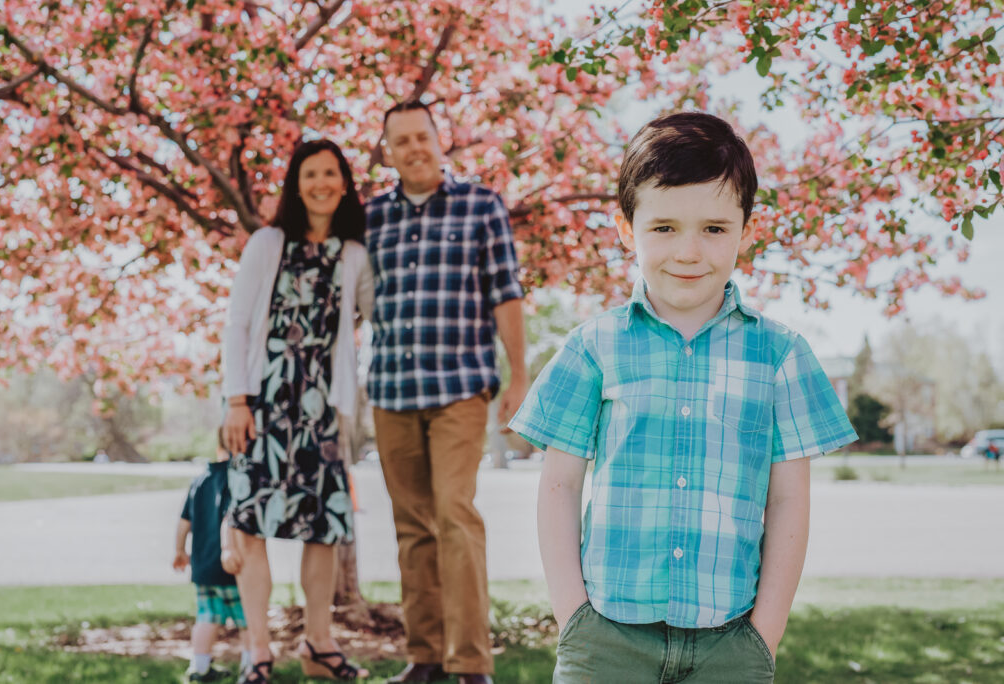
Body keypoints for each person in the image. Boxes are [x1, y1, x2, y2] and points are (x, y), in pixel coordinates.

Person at [509, 111, 859, 683]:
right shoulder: (592, 347)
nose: (689, 252)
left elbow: (790, 503)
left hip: (732, 641)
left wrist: (763, 637)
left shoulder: (781, 356)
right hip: (606, 637)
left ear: (747, 229)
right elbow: (558, 485)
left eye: (715, 228)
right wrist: (573, 616)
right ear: (628, 230)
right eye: (664, 227)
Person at [366, 100, 527, 684]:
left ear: (442, 140)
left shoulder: (481, 204)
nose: (414, 148)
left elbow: (506, 293)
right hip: (390, 389)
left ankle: (471, 664)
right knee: (412, 529)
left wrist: (518, 377)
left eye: (422, 136)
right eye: (401, 140)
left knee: (455, 515)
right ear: (388, 151)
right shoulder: (371, 216)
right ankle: (425, 658)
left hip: (460, 385)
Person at [221, 138, 373, 683]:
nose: (322, 183)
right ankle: (257, 651)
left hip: (321, 410)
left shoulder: (354, 252)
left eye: (331, 173)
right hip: (263, 403)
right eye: (311, 173)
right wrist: (236, 400)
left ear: (345, 182)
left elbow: (377, 313)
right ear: (296, 182)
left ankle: (319, 643)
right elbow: (237, 324)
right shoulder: (268, 242)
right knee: (253, 525)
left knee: (323, 528)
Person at [172, 440, 249, 683]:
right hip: (232, 565)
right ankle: (251, 668)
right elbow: (231, 517)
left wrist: (179, 550)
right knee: (247, 620)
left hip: (203, 566)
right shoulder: (236, 479)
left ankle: (200, 667)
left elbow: (184, 522)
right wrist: (229, 549)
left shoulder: (199, 480)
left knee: (207, 617)